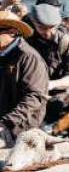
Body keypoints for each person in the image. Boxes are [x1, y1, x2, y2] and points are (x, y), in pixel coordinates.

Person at [0, 11, 48, 146]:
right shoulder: (3, 54)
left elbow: (34, 98)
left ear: (12, 32)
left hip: (20, 129)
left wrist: (6, 123)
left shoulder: (28, 57)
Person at [25, 3, 69, 94]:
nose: (48, 33)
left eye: (51, 27)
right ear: (33, 23)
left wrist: (50, 84)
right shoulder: (25, 41)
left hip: (55, 99)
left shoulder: (67, 44)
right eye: (41, 28)